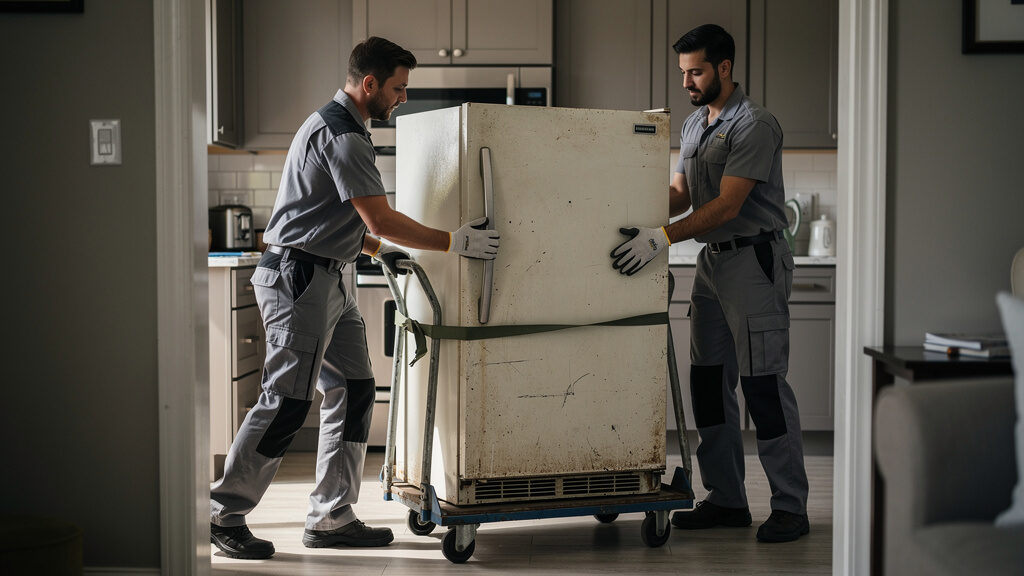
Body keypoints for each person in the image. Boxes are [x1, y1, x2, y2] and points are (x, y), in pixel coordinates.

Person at [209, 36, 500, 560]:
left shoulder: (344, 126)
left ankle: (331, 515)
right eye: (398, 87)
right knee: (287, 401)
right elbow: (379, 215)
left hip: (331, 276)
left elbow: (333, 213)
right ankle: (223, 513)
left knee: (358, 387)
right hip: (300, 280)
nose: (403, 98)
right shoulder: (344, 134)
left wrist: (375, 249)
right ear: (370, 84)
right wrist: (457, 241)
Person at [609, 24, 809, 543]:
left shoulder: (755, 125)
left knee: (762, 386)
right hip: (711, 265)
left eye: (695, 71)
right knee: (707, 382)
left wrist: (662, 238)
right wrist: (625, 211)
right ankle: (727, 498)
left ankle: (790, 506)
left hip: (753, 262)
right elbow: (683, 191)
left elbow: (727, 204)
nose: (687, 82)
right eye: (682, 73)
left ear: (724, 68)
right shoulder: (697, 124)